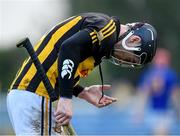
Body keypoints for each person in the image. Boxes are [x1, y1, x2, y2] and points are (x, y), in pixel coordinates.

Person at [7, 12, 157, 135]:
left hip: (31, 96)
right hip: (35, 95)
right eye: (129, 57)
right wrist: (65, 99)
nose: (122, 60)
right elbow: (68, 49)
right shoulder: (107, 29)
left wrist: (81, 92)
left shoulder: (103, 42)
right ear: (134, 40)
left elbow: (60, 68)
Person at [135, 48, 178, 135]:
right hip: (163, 112)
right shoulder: (170, 74)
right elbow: (175, 95)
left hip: (156, 112)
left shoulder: (149, 74)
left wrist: (139, 112)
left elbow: (143, 95)